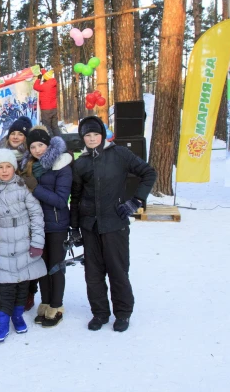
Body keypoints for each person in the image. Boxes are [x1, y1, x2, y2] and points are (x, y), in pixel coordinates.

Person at [70, 115, 157, 332]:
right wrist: (75, 228)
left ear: (103, 135)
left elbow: (148, 173)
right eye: (87, 135)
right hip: (90, 227)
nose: (91, 139)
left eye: (95, 134)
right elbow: (76, 197)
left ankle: (123, 313)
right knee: (93, 274)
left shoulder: (119, 154)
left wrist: (136, 201)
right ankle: (100, 313)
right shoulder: (81, 163)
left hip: (115, 224)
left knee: (118, 271)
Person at [0, 149, 46, 342]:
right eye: (0, 167)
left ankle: (17, 315)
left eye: (8, 166)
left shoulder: (23, 187)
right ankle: (2, 320)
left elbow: (37, 215)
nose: (4, 171)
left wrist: (37, 242)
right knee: (4, 285)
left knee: (23, 283)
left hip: (25, 242)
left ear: (14, 168)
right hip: (3, 243)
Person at [20, 127, 72, 327]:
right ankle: (45, 303)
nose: (37, 150)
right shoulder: (31, 166)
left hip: (57, 224)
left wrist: (35, 188)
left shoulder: (61, 165)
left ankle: (56, 306)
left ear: (48, 144)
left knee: (56, 266)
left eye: (40, 145)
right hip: (37, 225)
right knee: (41, 267)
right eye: (33, 146)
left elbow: (60, 200)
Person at [33, 70, 61, 137]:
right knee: (55, 126)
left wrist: (38, 79)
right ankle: (60, 141)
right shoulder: (53, 82)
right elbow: (47, 75)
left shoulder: (44, 86)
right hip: (53, 108)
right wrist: (42, 69)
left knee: (47, 126)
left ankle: (51, 141)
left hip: (46, 109)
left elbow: (35, 87)